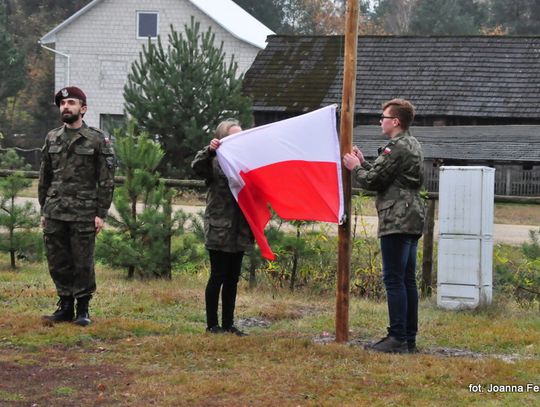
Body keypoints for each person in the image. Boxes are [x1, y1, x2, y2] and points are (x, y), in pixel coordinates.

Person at [343, 98, 425, 354]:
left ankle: (397, 337)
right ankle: (408, 337)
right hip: (412, 216)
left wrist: (356, 168)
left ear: (396, 121)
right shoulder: (412, 143)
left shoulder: (396, 146)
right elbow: (388, 177)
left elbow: (373, 181)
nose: (381, 120)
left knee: (394, 279)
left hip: (397, 218)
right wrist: (365, 162)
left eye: (384, 117)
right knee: (407, 279)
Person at [39, 86, 116, 327]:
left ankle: (82, 309)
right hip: (55, 210)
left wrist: (100, 213)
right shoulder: (52, 137)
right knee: (58, 260)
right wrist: (44, 209)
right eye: (62, 104)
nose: (66, 107)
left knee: (82, 261)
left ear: (83, 109)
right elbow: (45, 176)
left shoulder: (96, 139)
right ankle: (64, 306)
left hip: (84, 211)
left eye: (71, 103)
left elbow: (106, 179)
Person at [191, 119, 254, 336]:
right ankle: (212, 325)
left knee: (233, 278)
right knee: (217, 275)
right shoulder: (213, 160)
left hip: (240, 228)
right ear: (221, 138)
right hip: (219, 226)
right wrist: (209, 151)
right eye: (232, 136)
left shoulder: (245, 161)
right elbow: (196, 167)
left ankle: (228, 323)